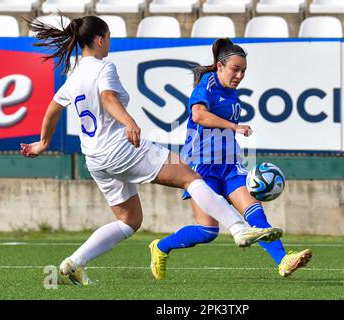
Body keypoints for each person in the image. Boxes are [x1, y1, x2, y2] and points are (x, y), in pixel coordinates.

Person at [20, 16, 283, 285]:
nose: (109, 42)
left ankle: (74, 263)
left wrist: (43, 142)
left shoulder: (74, 76)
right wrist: (128, 121)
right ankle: (239, 229)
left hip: (96, 159)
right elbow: (107, 98)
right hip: (120, 148)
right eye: (108, 36)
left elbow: (53, 108)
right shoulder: (103, 67)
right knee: (191, 177)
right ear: (100, 39)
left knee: (129, 220)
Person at [149, 38, 312, 280]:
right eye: (235, 69)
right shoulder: (206, 85)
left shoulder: (231, 92)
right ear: (220, 66)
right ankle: (161, 247)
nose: (239, 75)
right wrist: (234, 126)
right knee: (207, 231)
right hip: (202, 166)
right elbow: (199, 116)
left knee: (254, 212)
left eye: (243, 71)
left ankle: (283, 261)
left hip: (230, 164)